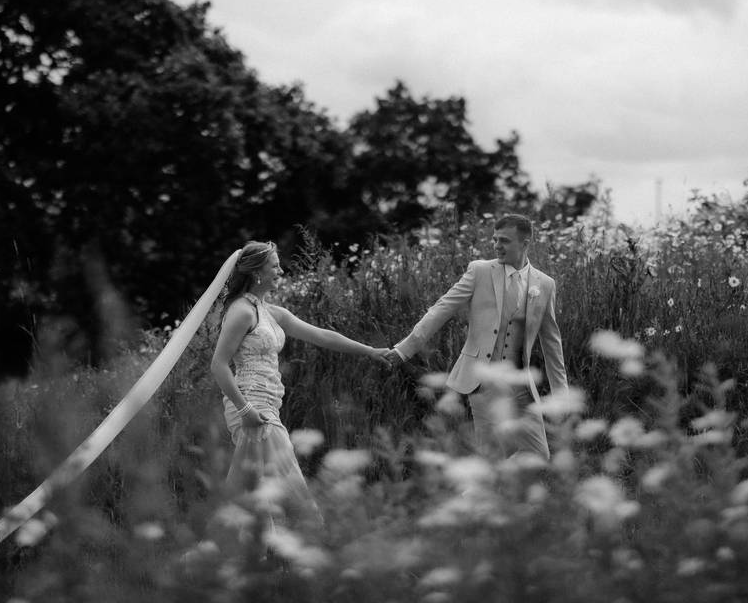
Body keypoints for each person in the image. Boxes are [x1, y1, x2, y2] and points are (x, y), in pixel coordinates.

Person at [211, 241, 390, 524]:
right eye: (275, 265)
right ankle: (296, 542)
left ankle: (262, 556)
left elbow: (322, 336)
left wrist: (369, 351)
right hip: (251, 406)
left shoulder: (272, 312)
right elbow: (218, 365)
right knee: (285, 481)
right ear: (257, 271)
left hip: (269, 405)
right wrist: (245, 411)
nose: (280, 270)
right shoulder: (242, 311)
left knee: (262, 489)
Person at [383, 214, 568, 459]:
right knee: (492, 457)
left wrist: (562, 397)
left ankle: (476, 493)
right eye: (495, 239)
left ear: (525, 243)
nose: (496, 245)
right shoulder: (479, 271)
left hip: (521, 386)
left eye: (504, 241)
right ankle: (486, 491)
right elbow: (441, 310)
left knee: (539, 455)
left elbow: (552, 345)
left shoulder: (545, 284)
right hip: (482, 381)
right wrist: (403, 350)